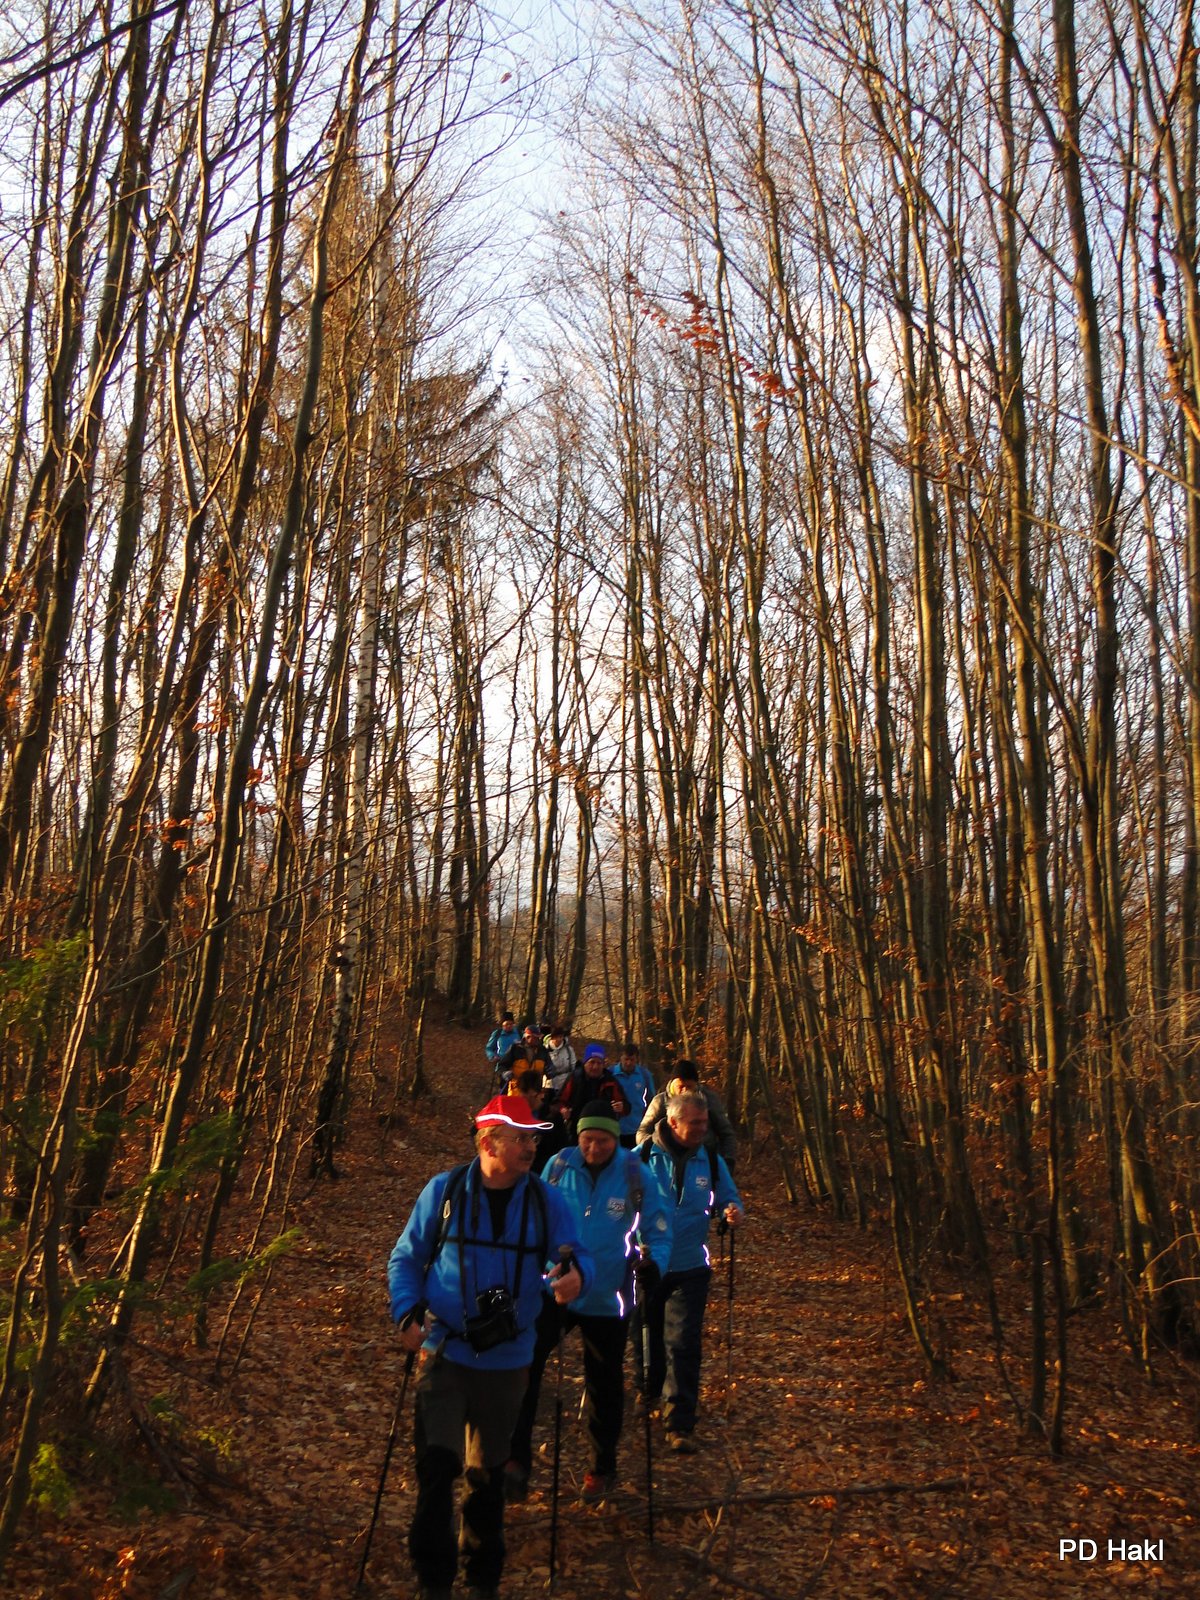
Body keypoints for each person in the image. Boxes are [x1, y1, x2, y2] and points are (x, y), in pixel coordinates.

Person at [387, 1094, 594, 1600]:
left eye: (533, 1138)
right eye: (520, 1138)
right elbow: (406, 1258)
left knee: (487, 1476)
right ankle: (433, 1581)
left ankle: (482, 1579)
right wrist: (407, 1311)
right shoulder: (444, 1192)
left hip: (508, 1359)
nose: (531, 1147)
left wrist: (576, 1278)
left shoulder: (546, 1202)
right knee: (437, 1468)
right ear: (488, 1142)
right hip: (445, 1351)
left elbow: (576, 1256)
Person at [506, 1101, 673, 1501]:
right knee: (523, 1368)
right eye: (587, 1140)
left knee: (604, 1383)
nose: (594, 1148)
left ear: (616, 1139)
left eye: (602, 1141)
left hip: (608, 1296)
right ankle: (513, 1462)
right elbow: (535, 1220)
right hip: (554, 1289)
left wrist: (655, 1265)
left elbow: (658, 1230)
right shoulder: (559, 1166)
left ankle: (601, 1467)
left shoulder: (636, 1174)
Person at [638, 1088, 743, 1454]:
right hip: (647, 1265)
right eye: (695, 1123)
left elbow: (728, 1196)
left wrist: (732, 1211)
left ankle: (679, 1421)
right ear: (672, 1122)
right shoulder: (642, 1157)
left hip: (691, 1265)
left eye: (705, 1122)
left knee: (683, 1343)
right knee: (647, 1336)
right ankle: (648, 1391)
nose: (702, 1129)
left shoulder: (710, 1160)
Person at [635, 1058, 737, 1169]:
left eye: (689, 1087)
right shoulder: (660, 1102)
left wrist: (728, 1161)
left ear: (696, 1085)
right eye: (680, 1087)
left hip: (704, 1163)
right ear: (672, 1084)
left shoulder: (709, 1100)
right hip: (666, 1163)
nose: (684, 1091)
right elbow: (642, 1132)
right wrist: (657, 1147)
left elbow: (726, 1134)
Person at [557, 1042, 630, 1138]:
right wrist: (563, 1109)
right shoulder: (575, 1078)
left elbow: (626, 1107)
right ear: (585, 1063)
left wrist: (621, 1107)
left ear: (603, 1065)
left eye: (599, 1063)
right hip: (576, 1130)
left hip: (603, 1131)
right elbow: (559, 1101)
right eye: (592, 1062)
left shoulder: (610, 1081)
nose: (595, 1067)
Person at [507, 1069, 569, 1174]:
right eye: (520, 1092)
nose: (521, 1096)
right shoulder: (514, 1114)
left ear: (536, 1093)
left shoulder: (552, 1117)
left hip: (542, 1171)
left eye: (525, 1092)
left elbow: (561, 1146)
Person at [611, 1041, 656, 1149]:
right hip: (615, 1128)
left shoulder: (644, 1074)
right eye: (626, 1059)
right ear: (621, 1058)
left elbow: (652, 1100)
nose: (628, 1063)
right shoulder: (610, 1073)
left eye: (632, 1060)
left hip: (637, 1128)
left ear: (637, 1060)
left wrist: (648, 1120)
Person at [497, 1020, 549, 1084]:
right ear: (527, 1037)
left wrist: (550, 1071)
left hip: (535, 1088)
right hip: (517, 1087)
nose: (538, 1039)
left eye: (539, 1037)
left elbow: (549, 1065)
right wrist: (504, 1073)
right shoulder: (515, 1048)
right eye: (535, 1037)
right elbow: (502, 1065)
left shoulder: (542, 1050)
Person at [541, 1020, 576, 1103]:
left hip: (564, 1083)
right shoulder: (544, 1049)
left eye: (561, 1037)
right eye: (556, 1037)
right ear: (552, 1037)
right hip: (548, 1084)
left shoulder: (569, 1050)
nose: (559, 1039)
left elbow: (573, 1064)